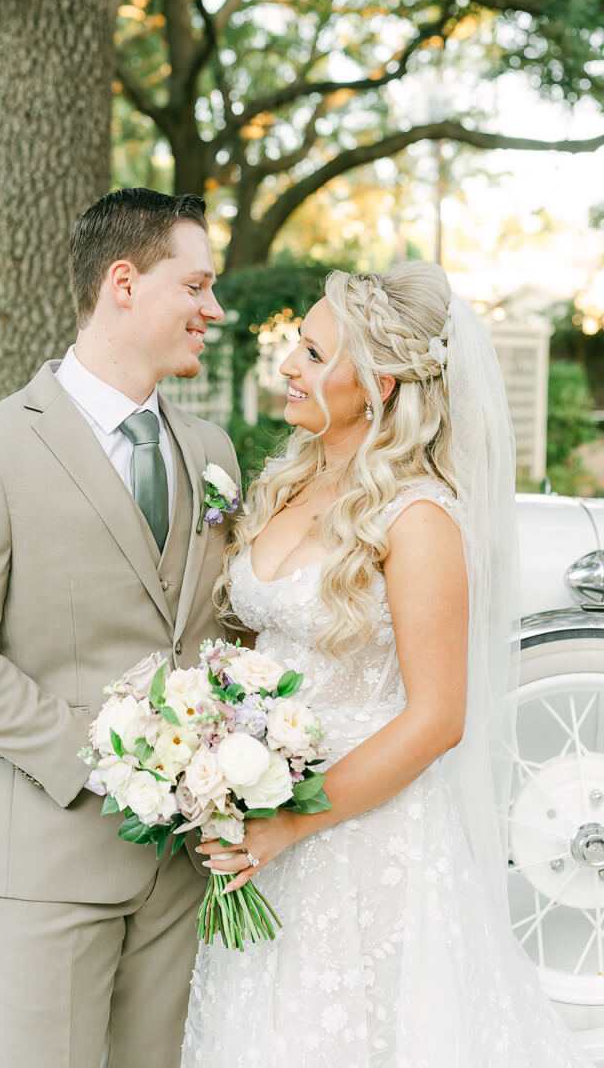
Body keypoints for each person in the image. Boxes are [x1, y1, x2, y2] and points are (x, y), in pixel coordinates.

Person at [182, 261, 592, 1067]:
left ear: (380, 383)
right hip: (264, 809)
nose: (289, 368)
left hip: (365, 835)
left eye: (311, 353)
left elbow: (438, 717)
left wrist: (293, 821)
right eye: (296, 348)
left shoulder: (420, 516)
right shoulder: (283, 483)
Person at [0, 188, 240, 1068]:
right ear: (123, 283)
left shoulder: (210, 452)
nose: (215, 309)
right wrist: (107, 764)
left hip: (179, 869)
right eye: (197, 286)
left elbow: (214, 631)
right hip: (44, 863)